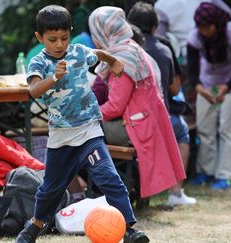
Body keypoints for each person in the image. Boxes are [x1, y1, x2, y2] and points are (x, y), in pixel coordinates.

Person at [15, 5, 149, 243]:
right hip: (61, 138)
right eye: (52, 39)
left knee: (110, 178)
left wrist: (114, 61)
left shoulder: (78, 51)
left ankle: (129, 229)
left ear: (70, 33)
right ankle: (34, 227)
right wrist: (54, 77)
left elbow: (97, 54)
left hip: (89, 132)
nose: (59, 44)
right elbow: (34, 90)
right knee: (50, 190)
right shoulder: (39, 62)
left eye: (64, 38)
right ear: (39, 37)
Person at [89, 6, 186, 199]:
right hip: (146, 121)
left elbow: (115, 108)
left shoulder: (120, 59)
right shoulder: (132, 48)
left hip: (134, 126)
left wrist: (87, 113)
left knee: (78, 137)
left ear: (102, 32)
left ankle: (93, 194)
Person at [127, 2, 196, 206]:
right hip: (159, 118)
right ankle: (175, 193)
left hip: (129, 119)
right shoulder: (164, 48)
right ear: (156, 26)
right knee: (181, 131)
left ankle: (142, 194)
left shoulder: (123, 49)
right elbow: (174, 89)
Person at [188, 2, 231, 189]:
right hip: (208, 81)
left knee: (227, 128)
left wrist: (227, 88)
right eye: (201, 27)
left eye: (207, 27)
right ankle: (206, 172)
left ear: (217, 23)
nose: (204, 31)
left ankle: (226, 176)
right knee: (205, 128)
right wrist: (200, 89)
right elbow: (193, 71)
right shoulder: (195, 36)